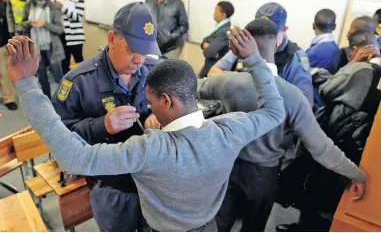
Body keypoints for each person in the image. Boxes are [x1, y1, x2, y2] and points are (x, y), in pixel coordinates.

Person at [8, 24, 286, 231]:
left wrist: (27, 86)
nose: (148, 111)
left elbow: (73, 156)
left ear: (166, 100)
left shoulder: (151, 149)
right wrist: (253, 59)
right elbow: (274, 110)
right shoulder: (230, 129)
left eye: (151, 103)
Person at [197, 19, 367, 232]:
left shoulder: (227, 82)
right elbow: (321, 147)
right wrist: (356, 174)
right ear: (276, 45)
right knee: (253, 227)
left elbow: (191, 88)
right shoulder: (292, 95)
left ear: (242, 49)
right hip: (264, 175)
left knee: (217, 225)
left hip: (225, 168)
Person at [51, 3, 160, 232]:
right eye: (132, 50)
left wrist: (156, 115)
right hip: (111, 187)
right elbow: (57, 140)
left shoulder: (153, 70)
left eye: (145, 51)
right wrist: (102, 126)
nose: (139, 60)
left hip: (151, 181)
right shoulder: (78, 82)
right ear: (112, 38)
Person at [277, 28, 380, 232]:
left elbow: (328, 90)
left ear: (355, 48)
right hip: (359, 141)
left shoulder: (362, 69)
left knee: (316, 185)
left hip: (337, 133)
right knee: (332, 191)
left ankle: (304, 227)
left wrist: (352, 65)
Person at [208, 2, 313, 107]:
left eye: (270, 33)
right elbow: (213, 72)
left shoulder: (295, 57)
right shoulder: (245, 42)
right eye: (258, 33)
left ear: (284, 30)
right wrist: (237, 85)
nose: (261, 40)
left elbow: (307, 104)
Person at [22, 0, 64, 99]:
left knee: (59, 76)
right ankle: (48, 101)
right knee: (42, 77)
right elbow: (22, 25)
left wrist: (44, 24)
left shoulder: (53, 6)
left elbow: (60, 30)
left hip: (52, 47)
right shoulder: (28, 6)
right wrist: (28, 23)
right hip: (36, 48)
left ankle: (64, 101)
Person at [306, 9, 340, 111]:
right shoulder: (336, 50)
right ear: (334, 27)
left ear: (313, 25)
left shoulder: (314, 53)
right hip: (324, 105)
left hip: (313, 105)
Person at [198, 1, 234, 78]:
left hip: (215, 71)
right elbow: (205, 40)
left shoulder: (224, 31)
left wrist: (208, 47)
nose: (214, 14)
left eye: (216, 12)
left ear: (223, 15)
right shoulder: (219, 27)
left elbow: (208, 53)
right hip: (208, 67)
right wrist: (207, 45)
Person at [55, 0, 85, 75]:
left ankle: (83, 83)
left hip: (75, 36)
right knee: (64, 62)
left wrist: (63, 8)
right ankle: (67, 83)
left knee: (79, 61)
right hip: (61, 35)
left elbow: (78, 17)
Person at [0, 0, 17, 110]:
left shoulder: (7, 5)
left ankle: (8, 98)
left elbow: (9, 23)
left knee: (5, 73)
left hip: (3, 43)